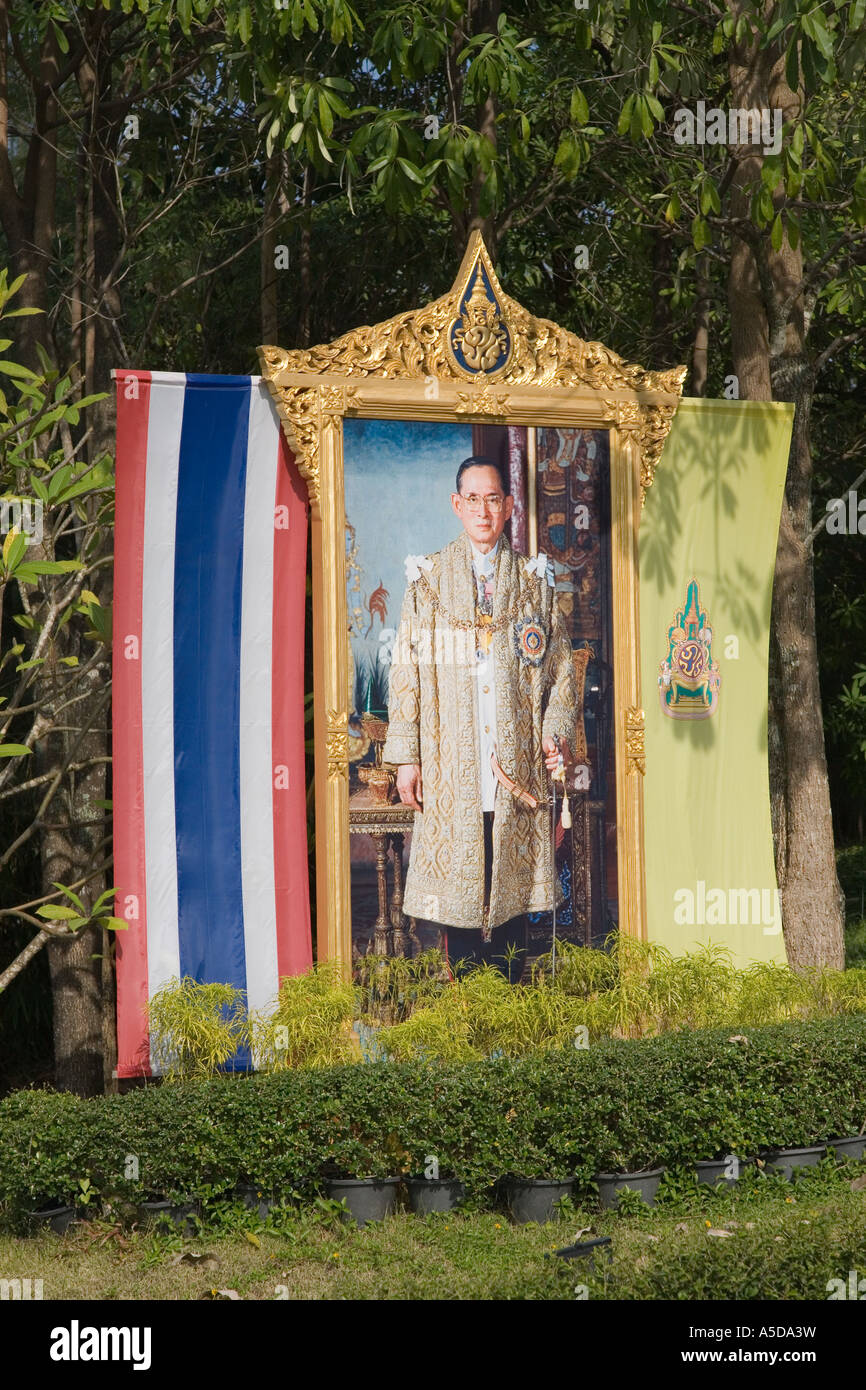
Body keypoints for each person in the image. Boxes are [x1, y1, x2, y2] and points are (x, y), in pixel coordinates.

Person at [382, 455, 576, 981]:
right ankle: (466, 1012)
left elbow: (561, 672)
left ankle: (512, 1020)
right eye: (473, 499)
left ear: (509, 506)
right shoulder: (428, 581)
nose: (483, 510)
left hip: (516, 771)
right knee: (462, 898)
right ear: (456, 505)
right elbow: (407, 674)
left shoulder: (534, 583)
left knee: (510, 892)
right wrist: (405, 758)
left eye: (494, 499)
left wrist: (554, 732)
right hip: (452, 766)